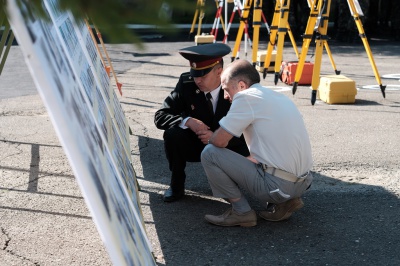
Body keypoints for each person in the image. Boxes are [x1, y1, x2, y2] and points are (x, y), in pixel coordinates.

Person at [200, 59, 313, 227]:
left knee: (209, 154)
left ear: (241, 85)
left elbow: (219, 141)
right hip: (304, 182)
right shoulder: (278, 97)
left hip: (279, 187)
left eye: (225, 89)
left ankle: (241, 212)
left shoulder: (246, 97)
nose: (225, 96)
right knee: (253, 158)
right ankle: (286, 203)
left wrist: (209, 135)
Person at [154, 43, 249, 202]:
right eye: (195, 75)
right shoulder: (187, 84)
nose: (197, 80)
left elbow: (248, 125)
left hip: (229, 144)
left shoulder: (236, 86)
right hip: (197, 143)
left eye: (203, 76)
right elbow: (161, 115)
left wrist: (217, 138)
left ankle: (237, 185)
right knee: (172, 134)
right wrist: (188, 121)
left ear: (219, 71)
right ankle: (176, 184)